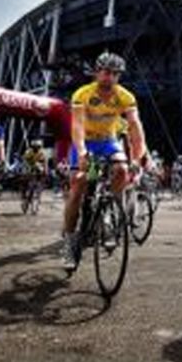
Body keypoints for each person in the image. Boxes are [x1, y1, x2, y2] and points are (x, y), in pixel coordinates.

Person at [61, 51, 148, 270]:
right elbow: (78, 126)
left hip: (109, 142)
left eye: (116, 74)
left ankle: (111, 207)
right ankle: (70, 242)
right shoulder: (83, 93)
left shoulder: (125, 96)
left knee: (121, 169)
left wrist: (138, 156)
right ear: (97, 72)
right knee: (79, 183)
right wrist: (81, 152)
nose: (110, 77)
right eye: (106, 72)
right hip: (87, 143)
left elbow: (136, 128)